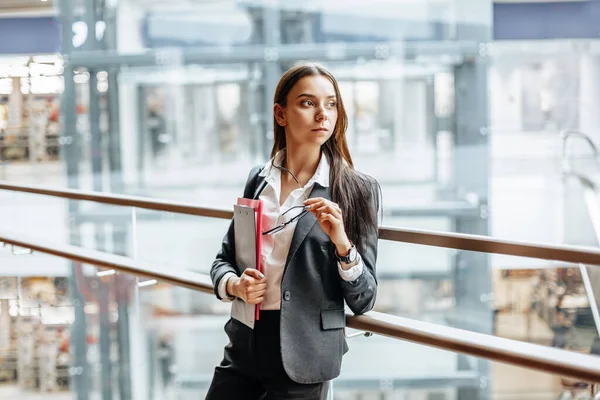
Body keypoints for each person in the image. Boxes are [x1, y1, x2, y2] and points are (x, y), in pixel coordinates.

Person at [207, 61, 381, 400]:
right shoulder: (259, 179)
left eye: (331, 104)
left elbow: (365, 298)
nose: (322, 115)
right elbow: (222, 261)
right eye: (308, 102)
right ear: (280, 114)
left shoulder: (356, 190)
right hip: (245, 346)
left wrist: (342, 244)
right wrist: (235, 285)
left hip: (304, 358)